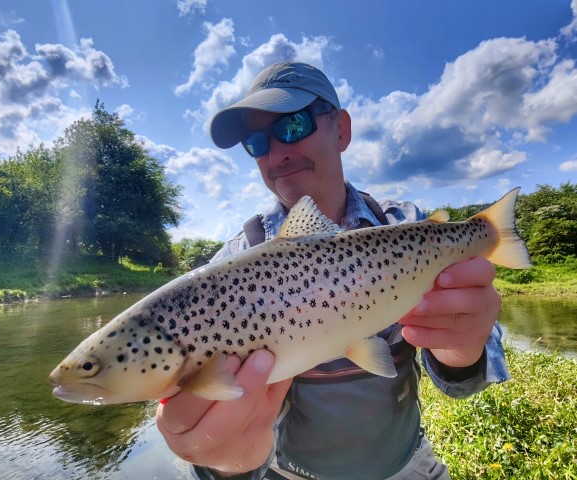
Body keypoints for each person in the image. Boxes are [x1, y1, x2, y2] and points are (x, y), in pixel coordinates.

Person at [156, 62, 508, 480]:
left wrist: (462, 352)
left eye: (292, 126)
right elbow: (211, 435)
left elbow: (463, 383)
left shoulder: (406, 230)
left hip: (408, 466)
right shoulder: (228, 270)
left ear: (341, 129)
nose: (276, 153)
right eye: (256, 142)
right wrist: (224, 464)